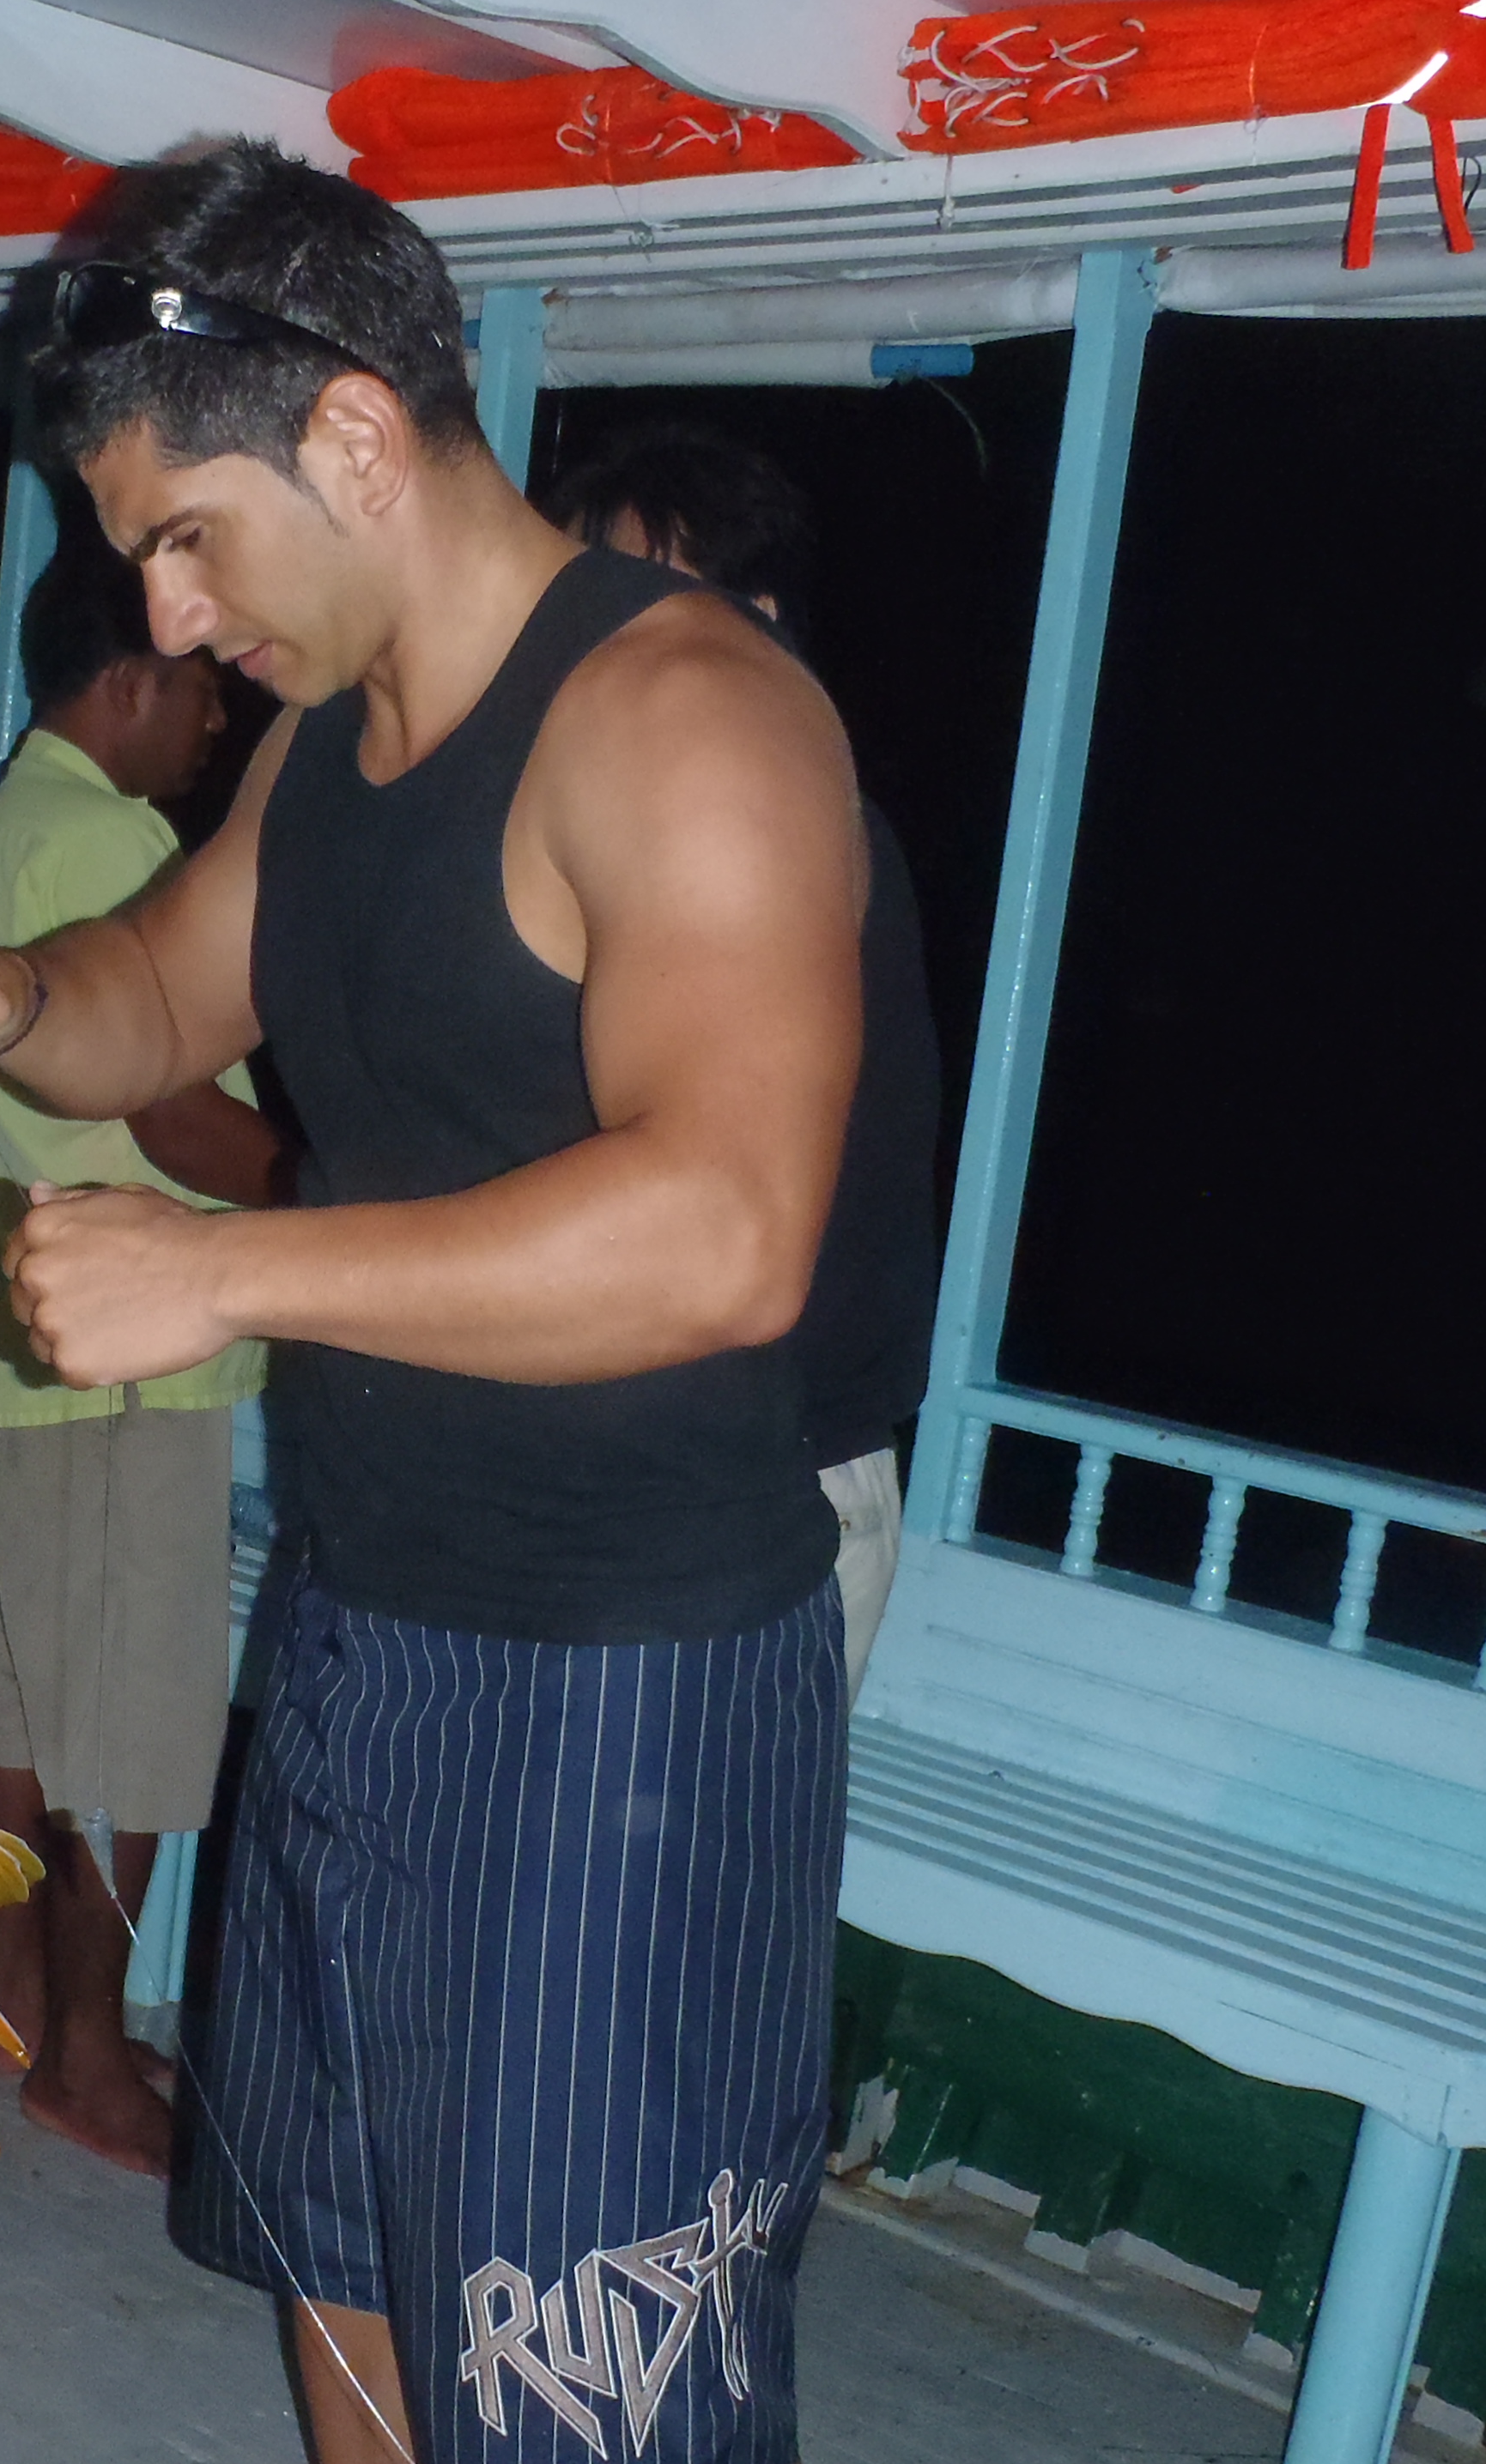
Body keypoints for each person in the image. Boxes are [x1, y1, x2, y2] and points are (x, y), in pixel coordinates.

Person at [0, 143, 863, 2464]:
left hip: (631, 1673)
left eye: (182, 542)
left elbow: (730, 1226)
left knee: (632, 2305)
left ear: (351, 435)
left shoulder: (685, 723)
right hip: (368, 1602)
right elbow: (152, 994)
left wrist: (228, 1275)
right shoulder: (326, 753)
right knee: (331, 2187)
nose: (168, 618)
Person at [0, 538, 274, 2179]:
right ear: (129, 680)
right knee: (129, 1723)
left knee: (30, 1691)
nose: (216, 719)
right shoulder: (110, 839)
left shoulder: (5, 827)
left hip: (25, 1319)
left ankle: (8, 1990)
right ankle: (83, 2054)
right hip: (129, 1340)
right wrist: (337, 1208)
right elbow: (170, 1109)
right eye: (203, 686)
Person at [548, 425, 941, 1703]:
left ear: (753, 621)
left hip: (764, 1491)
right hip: (675, 1476)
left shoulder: (787, 836)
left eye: (632, 600)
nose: (589, 647)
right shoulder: (640, 834)